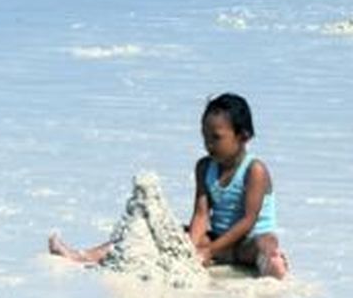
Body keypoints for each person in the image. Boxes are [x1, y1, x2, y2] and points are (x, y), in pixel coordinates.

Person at [48, 93, 288, 279]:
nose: (208, 144)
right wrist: (191, 249)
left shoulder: (255, 170)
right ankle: (84, 255)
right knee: (163, 233)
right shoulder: (204, 167)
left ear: (243, 136)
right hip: (218, 239)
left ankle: (272, 266)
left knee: (265, 243)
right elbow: (201, 214)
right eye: (204, 136)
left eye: (216, 137)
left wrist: (210, 252)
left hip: (247, 241)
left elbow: (248, 221)